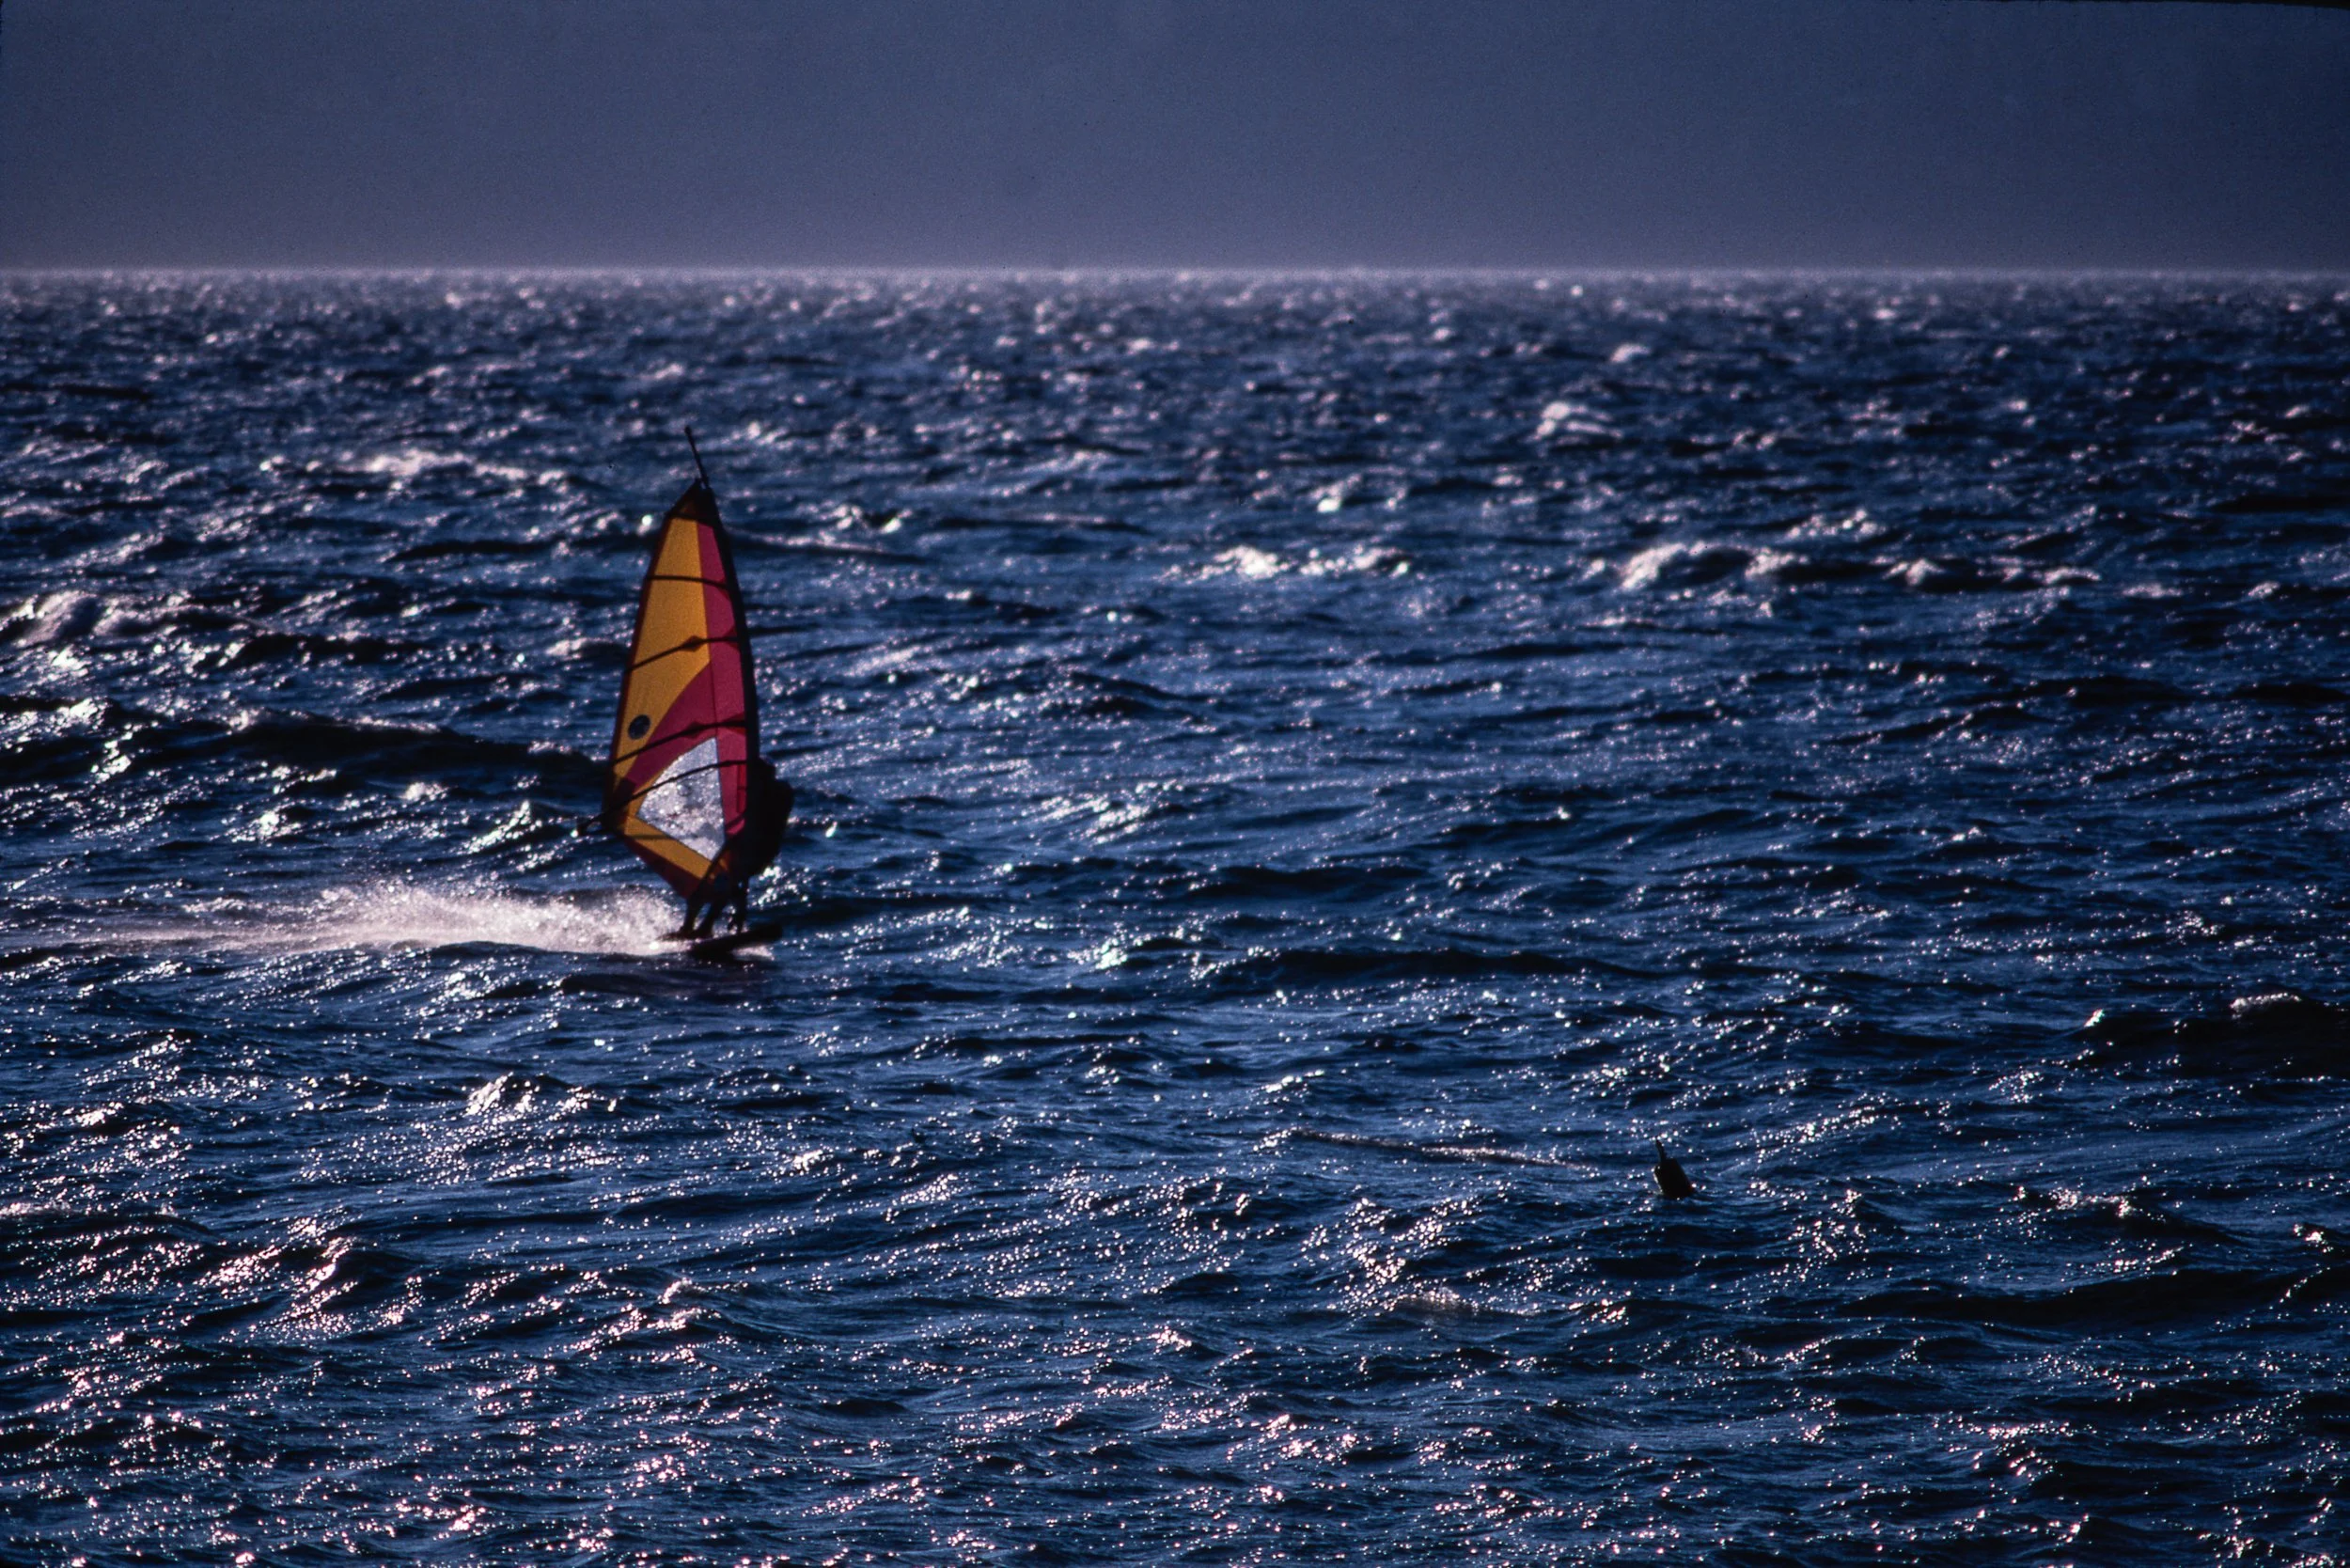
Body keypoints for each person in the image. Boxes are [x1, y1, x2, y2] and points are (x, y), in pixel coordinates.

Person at [682, 756, 793, 937]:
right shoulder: (754, 792)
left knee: (727, 883)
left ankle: (706, 927)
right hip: (741, 847)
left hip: (759, 851)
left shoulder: (780, 792)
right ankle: (689, 927)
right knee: (706, 885)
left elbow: (772, 804)